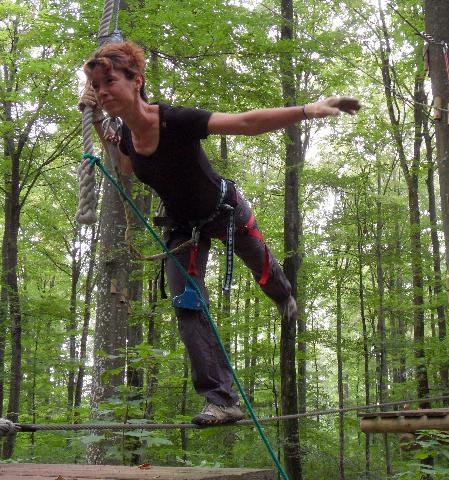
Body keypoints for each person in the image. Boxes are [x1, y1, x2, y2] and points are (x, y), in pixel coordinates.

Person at [79, 41, 361, 425]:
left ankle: (283, 295)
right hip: (182, 228)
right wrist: (96, 121)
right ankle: (222, 399)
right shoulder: (126, 135)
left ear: (137, 81)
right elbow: (127, 169)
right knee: (187, 304)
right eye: (96, 86)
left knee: (262, 268)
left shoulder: (174, 119)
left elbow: (245, 123)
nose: (102, 91)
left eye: (109, 81)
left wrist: (309, 110)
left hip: (225, 210)